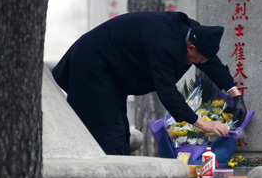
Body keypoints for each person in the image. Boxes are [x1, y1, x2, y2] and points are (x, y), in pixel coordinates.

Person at [52, 11, 247, 155]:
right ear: (191, 47)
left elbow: (211, 63)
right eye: (198, 59)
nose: (198, 64)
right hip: (93, 67)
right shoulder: (164, 45)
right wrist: (204, 124)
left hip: (115, 72)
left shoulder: (193, 33)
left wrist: (236, 96)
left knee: (119, 134)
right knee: (107, 133)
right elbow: (167, 92)